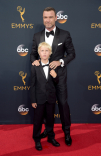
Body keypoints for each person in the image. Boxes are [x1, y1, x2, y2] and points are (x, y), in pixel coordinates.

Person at [30, 7, 75, 146]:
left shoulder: (65, 34)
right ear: (42, 18)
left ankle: (66, 132)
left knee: (62, 104)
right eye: (45, 17)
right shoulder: (37, 36)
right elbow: (32, 54)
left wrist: (60, 62)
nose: (47, 20)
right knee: (44, 105)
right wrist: (34, 61)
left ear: (56, 18)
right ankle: (48, 131)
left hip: (59, 76)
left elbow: (72, 54)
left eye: (50, 17)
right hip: (43, 77)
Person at [31, 42, 60, 151]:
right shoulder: (35, 66)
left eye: (46, 50)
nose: (44, 52)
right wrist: (33, 99)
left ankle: (51, 137)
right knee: (38, 120)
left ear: (50, 53)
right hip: (39, 99)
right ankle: (37, 139)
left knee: (50, 119)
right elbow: (32, 84)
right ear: (39, 52)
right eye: (42, 50)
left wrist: (55, 76)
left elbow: (57, 82)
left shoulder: (53, 65)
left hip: (51, 98)